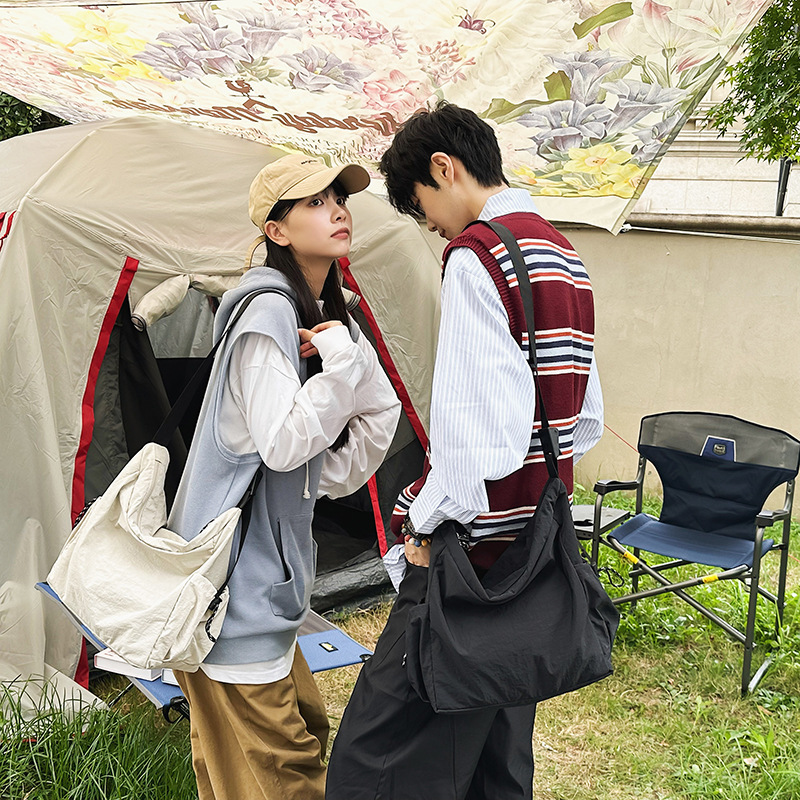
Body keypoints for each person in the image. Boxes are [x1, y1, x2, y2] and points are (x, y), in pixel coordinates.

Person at [325, 102, 603, 800]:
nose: (432, 228)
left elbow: (474, 432)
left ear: (443, 170)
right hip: (535, 548)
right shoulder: (563, 253)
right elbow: (586, 417)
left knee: (372, 762)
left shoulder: (479, 255)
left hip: (469, 559)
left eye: (424, 209)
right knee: (497, 757)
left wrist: (423, 525)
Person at [169, 153, 401, 800]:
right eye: (313, 202)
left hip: (265, 590)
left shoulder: (325, 313)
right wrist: (338, 371)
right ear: (276, 230)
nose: (336, 210)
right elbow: (280, 443)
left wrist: (345, 361)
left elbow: (370, 421)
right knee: (285, 768)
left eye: (338, 197)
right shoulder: (267, 311)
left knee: (256, 757)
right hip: (230, 595)